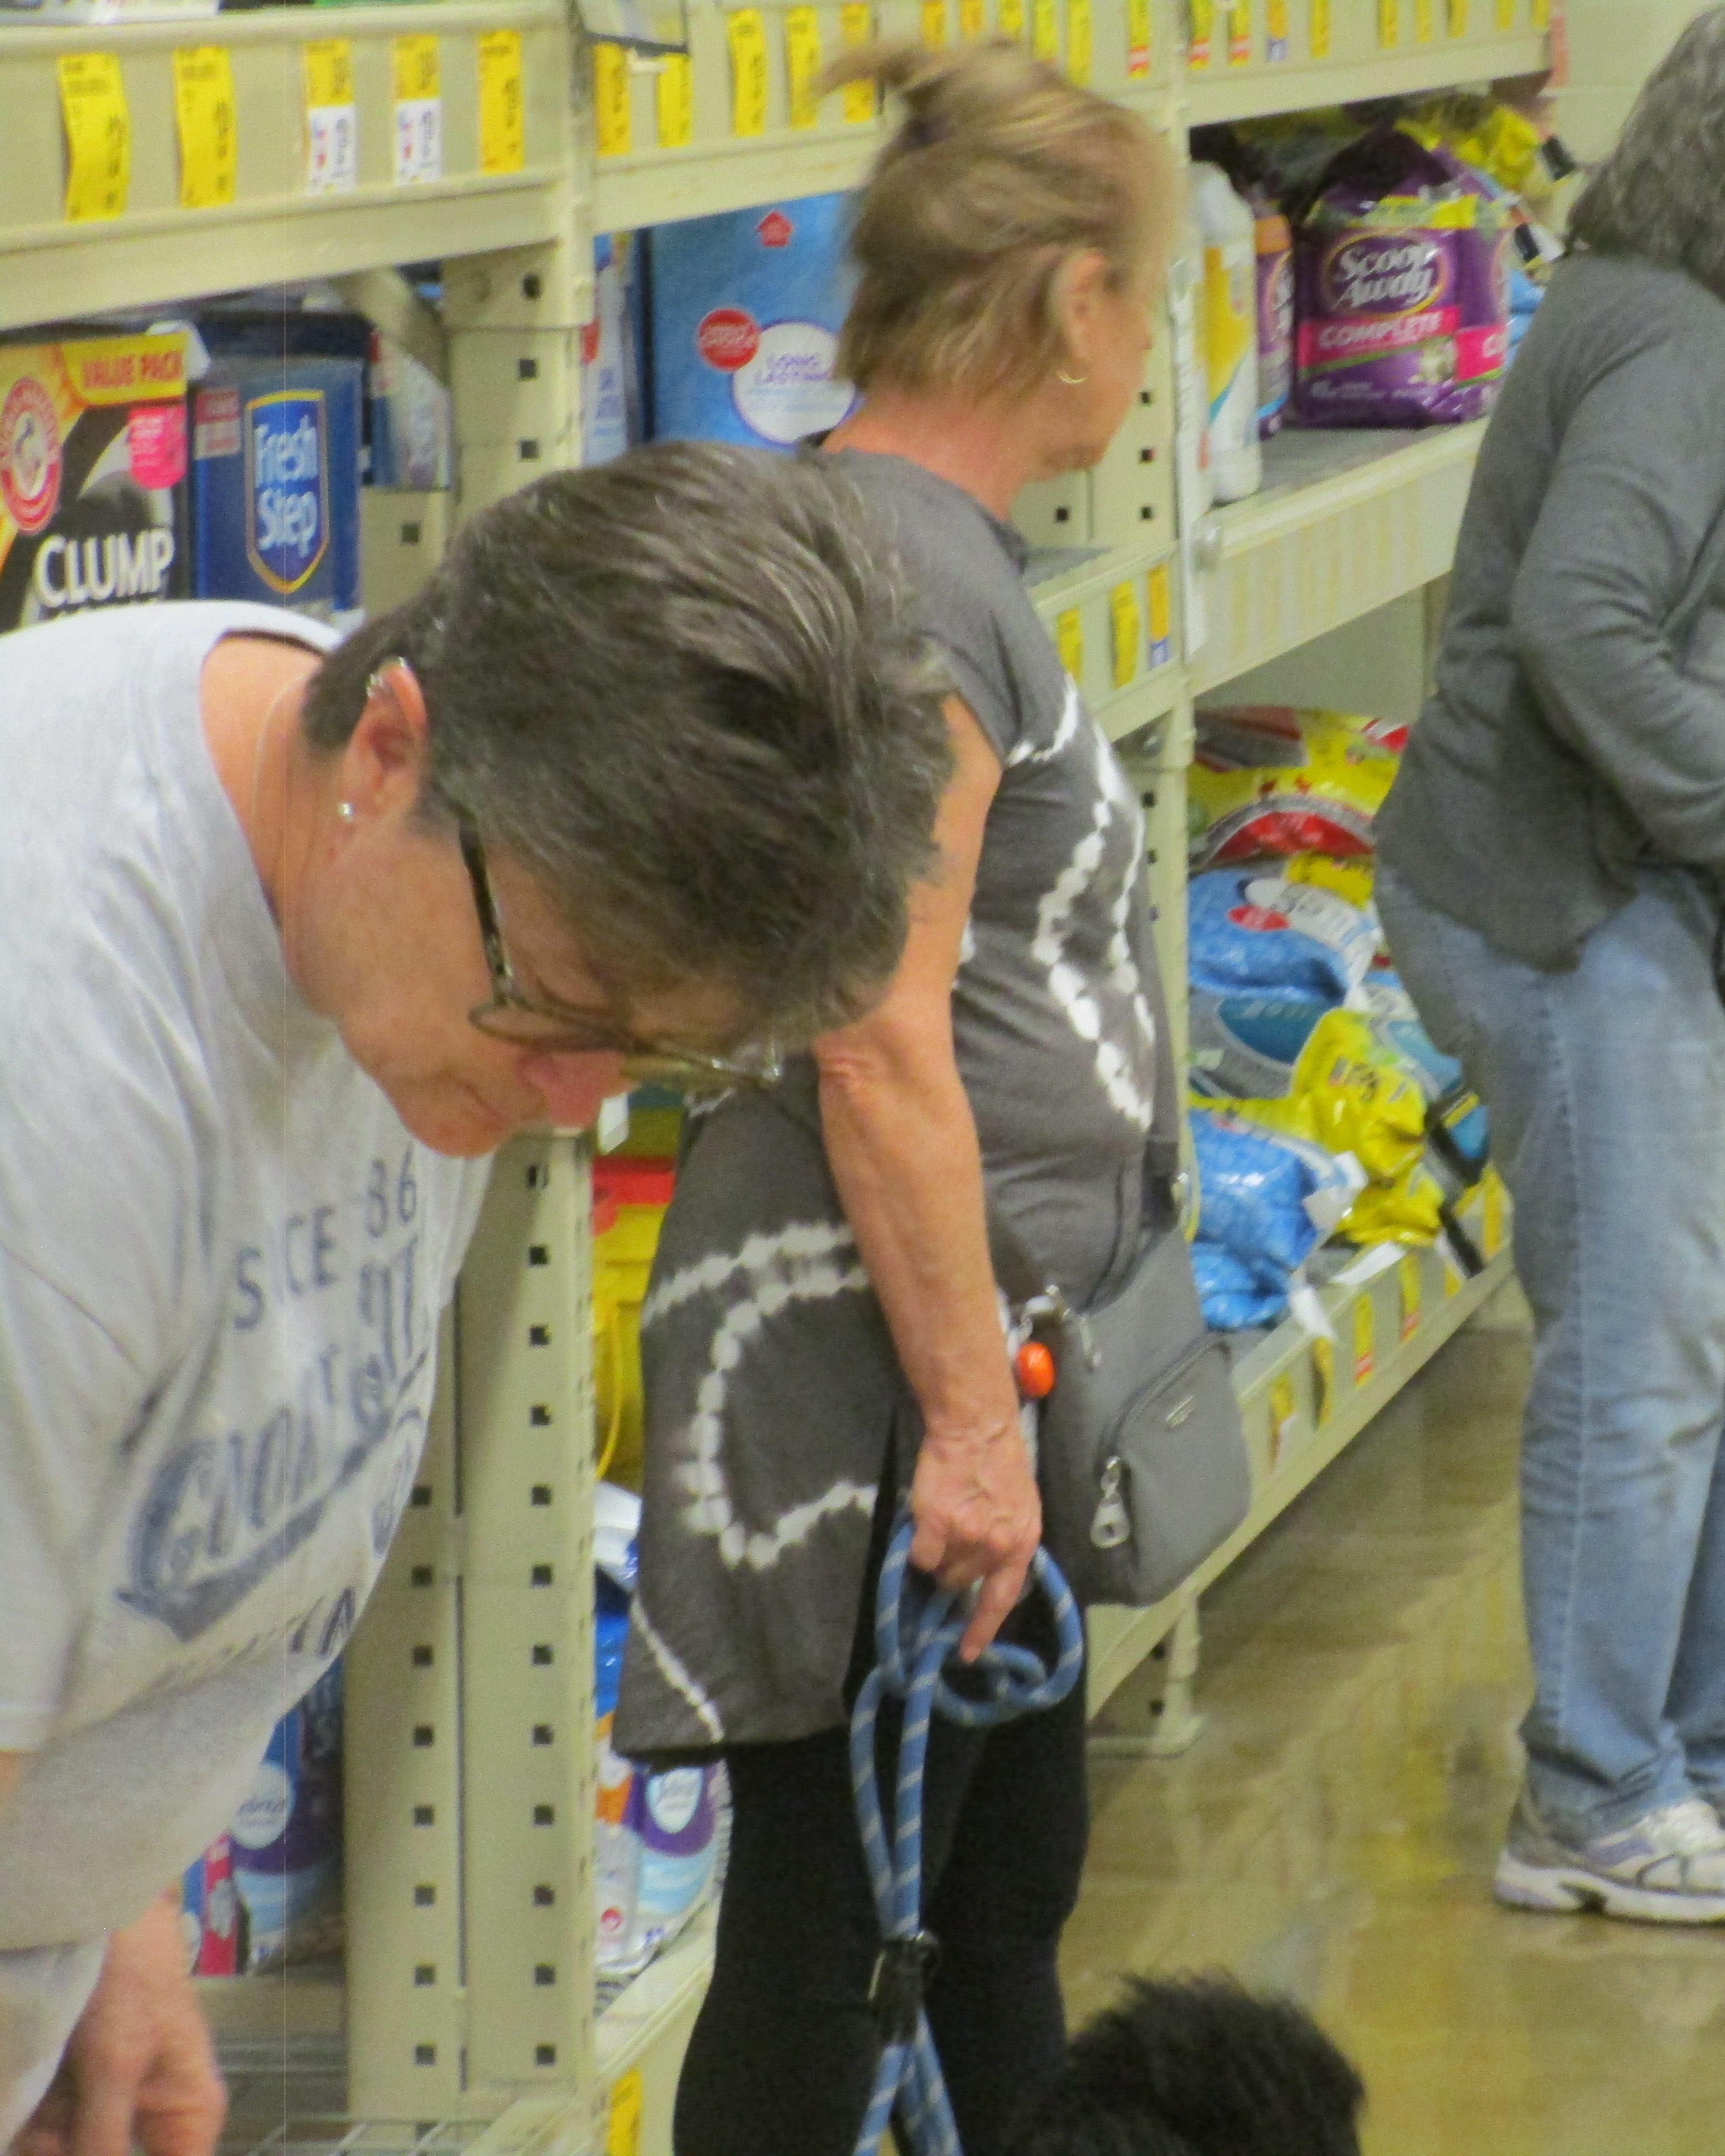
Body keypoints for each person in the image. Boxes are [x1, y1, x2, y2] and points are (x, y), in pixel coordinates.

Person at [0, 441, 959, 2154]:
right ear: (393, 749)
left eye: (649, 1056)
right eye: (559, 1008)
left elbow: (85, 1499)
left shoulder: (400, 872)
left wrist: (104, 1902)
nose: (572, 1103)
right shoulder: (55, 1054)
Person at [611, 41, 1176, 2155]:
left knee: (985, 1910)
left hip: (942, 1352)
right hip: (880, 1380)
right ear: (1068, 304)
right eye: (1150, 300)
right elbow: (873, 1026)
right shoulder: (916, 588)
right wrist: (968, 1428)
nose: (1153, 350)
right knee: (848, 1937)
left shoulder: (906, 549)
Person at [1372, 3, 1725, 1926]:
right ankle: (1595, 1795)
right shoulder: (1673, 350)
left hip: (1679, 919)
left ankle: (1718, 1756)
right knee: (1649, 1341)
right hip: (1569, 914)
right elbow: (1583, 626)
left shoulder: (1702, 343)